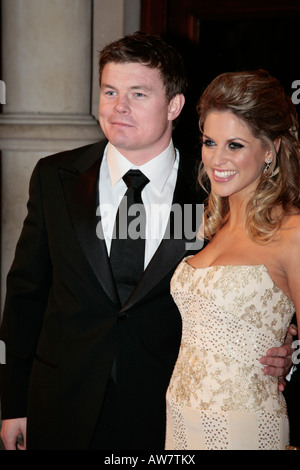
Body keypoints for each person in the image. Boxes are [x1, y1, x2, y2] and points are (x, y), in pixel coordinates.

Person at [0, 34, 295, 450]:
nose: (119, 107)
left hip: (169, 414)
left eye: (138, 94)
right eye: (110, 92)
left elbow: (264, 279)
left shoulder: (219, 187)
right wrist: (13, 402)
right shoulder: (55, 176)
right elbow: (26, 296)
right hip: (62, 405)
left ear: (174, 105)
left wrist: (283, 341)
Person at [165, 69, 300, 450]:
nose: (217, 159)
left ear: (270, 150)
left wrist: (293, 359)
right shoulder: (211, 226)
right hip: (180, 420)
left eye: (235, 145)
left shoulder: (292, 232)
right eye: (210, 142)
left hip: (244, 428)